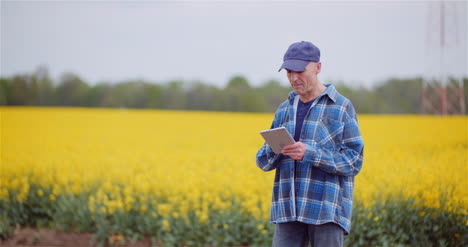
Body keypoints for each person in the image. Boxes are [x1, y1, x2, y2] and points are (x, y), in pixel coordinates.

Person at [256, 41, 364, 247]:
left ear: (318, 67)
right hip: (287, 210)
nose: (294, 78)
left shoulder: (341, 107)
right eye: (289, 72)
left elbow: (354, 161)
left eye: (300, 71)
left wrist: (311, 153)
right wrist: (276, 148)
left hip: (326, 210)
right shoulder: (284, 109)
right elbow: (263, 162)